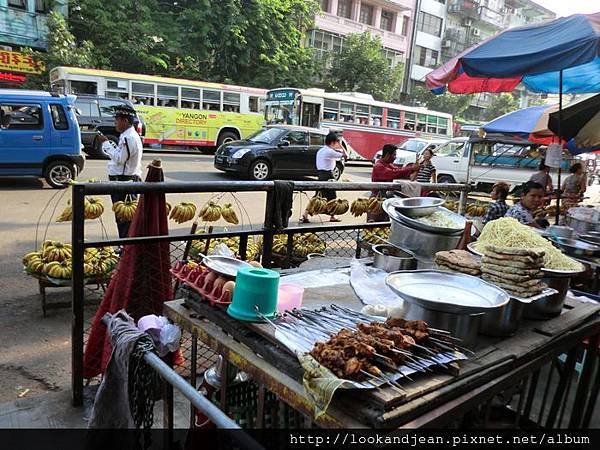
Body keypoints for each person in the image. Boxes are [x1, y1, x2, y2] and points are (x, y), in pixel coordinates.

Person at [97, 105, 143, 238]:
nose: (115, 123)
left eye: (117, 120)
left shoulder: (129, 138)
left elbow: (120, 159)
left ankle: (126, 248)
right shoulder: (126, 136)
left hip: (124, 183)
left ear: (126, 121)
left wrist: (106, 143)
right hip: (124, 182)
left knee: (125, 220)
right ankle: (126, 247)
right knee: (122, 219)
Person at [301, 132, 347, 223]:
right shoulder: (329, 151)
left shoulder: (321, 150)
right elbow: (345, 155)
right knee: (332, 197)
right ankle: (332, 216)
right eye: (336, 142)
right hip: (328, 175)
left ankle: (306, 214)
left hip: (321, 175)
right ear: (333, 142)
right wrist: (341, 146)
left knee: (318, 196)